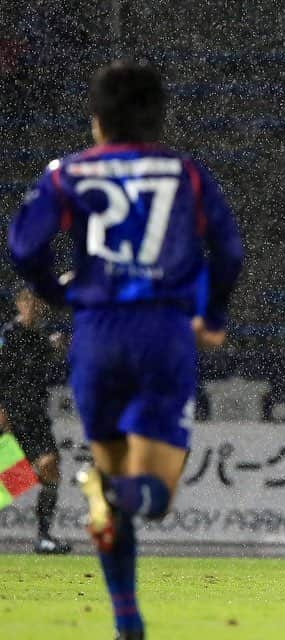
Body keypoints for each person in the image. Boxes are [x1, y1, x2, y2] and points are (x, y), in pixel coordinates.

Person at [8, 60, 243, 640]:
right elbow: (229, 250)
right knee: (153, 497)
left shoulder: (68, 173)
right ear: (158, 118)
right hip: (162, 334)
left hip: (95, 337)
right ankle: (109, 492)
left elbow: (23, 244)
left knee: (114, 489)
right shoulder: (184, 173)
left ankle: (127, 622)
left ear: (96, 121)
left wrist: (54, 290)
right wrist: (211, 316)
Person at [0, 288, 70, 554]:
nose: (33, 306)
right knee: (12, 477)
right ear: (19, 304)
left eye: (37, 301)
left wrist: (57, 347)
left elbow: (48, 363)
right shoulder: (8, 335)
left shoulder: (41, 337)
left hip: (36, 415)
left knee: (50, 467)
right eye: (28, 301)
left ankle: (43, 536)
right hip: (11, 413)